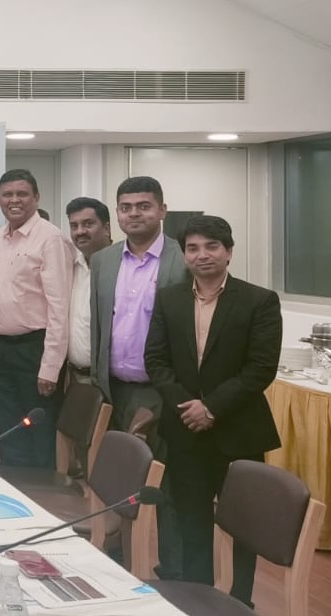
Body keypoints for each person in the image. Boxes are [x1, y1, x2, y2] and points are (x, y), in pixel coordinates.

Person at [144, 215, 281, 606]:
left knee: (244, 524)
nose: (201, 255)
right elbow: (156, 360)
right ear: (184, 255)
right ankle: (199, 597)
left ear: (229, 252)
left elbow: (260, 368)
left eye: (211, 247)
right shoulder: (169, 298)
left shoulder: (259, 300)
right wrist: (188, 408)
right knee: (192, 519)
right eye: (192, 248)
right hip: (185, 428)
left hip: (239, 430)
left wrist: (212, 408)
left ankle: (241, 601)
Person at [90, 175, 187, 580]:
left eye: (144, 206)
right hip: (115, 390)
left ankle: (174, 572)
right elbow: (101, 324)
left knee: (167, 485)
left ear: (162, 210)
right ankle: (120, 563)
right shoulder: (104, 261)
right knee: (120, 481)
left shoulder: (183, 259)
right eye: (126, 207)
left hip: (164, 392)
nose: (134, 214)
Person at [0, 169, 73, 468]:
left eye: (22, 194)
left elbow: (59, 307)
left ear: (36, 198)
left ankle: (40, 490)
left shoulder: (50, 239)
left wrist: (51, 367)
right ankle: (14, 485)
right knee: (9, 429)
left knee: (38, 431)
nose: (14, 200)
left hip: (34, 349)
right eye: (7, 194)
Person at [64, 197, 113, 386]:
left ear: (106, 228)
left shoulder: (123, 267)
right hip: (74, 378)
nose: (80, 231)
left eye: (88, 224)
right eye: (74, 226)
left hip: (112, 381)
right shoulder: (70, 267)